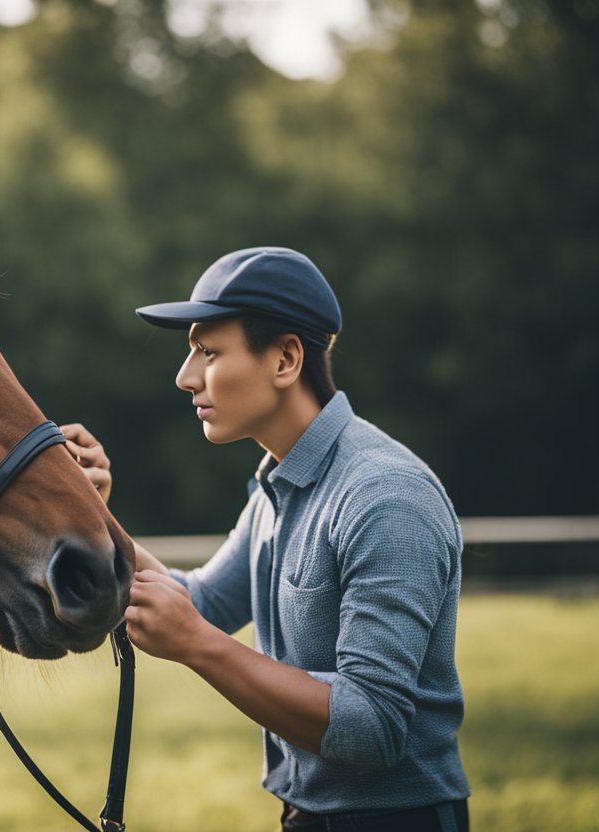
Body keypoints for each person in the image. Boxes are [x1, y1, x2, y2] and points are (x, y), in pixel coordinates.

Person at [61, 247, 470, 832]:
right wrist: (89, 512)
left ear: (285, 359)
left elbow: (371, 724)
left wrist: (198, 646)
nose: (186, 377)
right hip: (305, 817)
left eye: (208, 352)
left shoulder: (385, 496)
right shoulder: (279, 487)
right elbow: (197, 603)